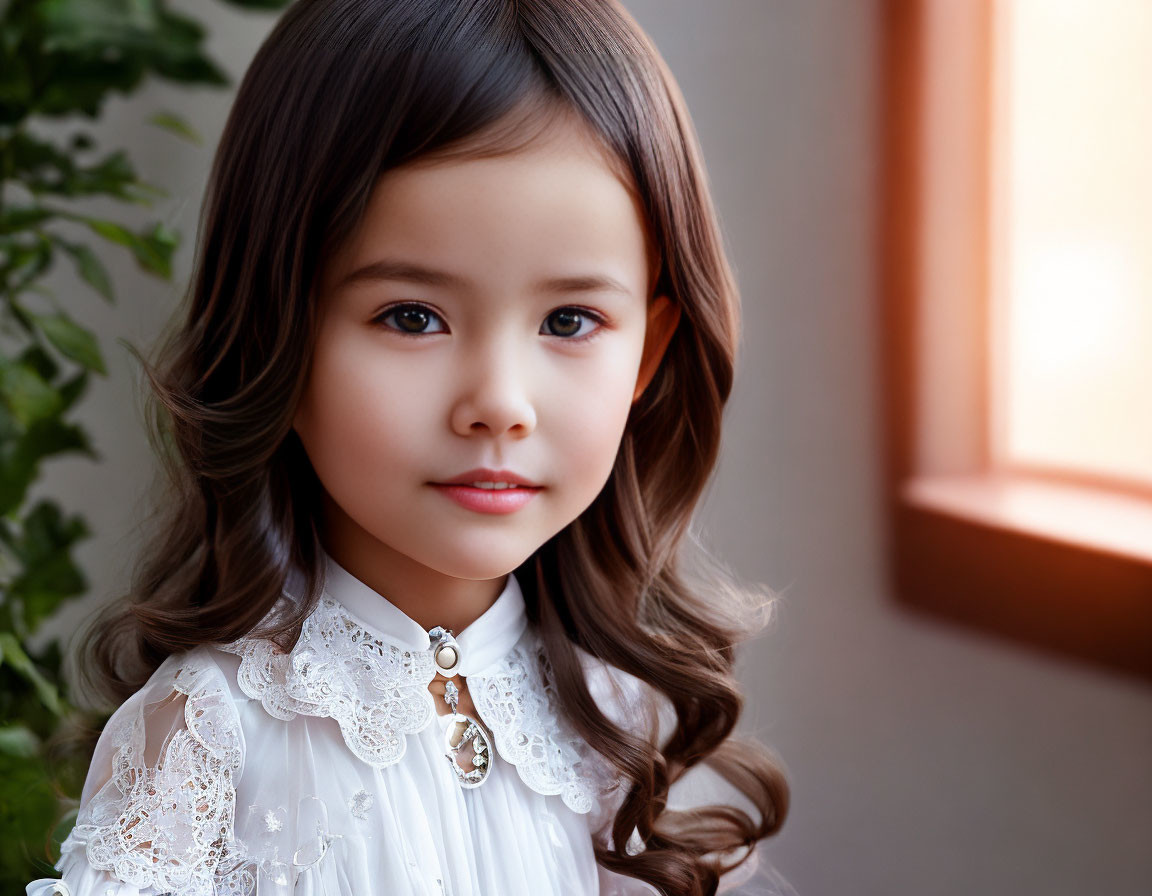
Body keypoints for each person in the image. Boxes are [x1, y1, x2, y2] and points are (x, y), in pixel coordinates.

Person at [25, 1, 794, 893]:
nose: (499, 404)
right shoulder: (209, 735)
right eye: (413, 317)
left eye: (570, 320)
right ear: (279, 331)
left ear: (647, 356)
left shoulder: (617, 718)